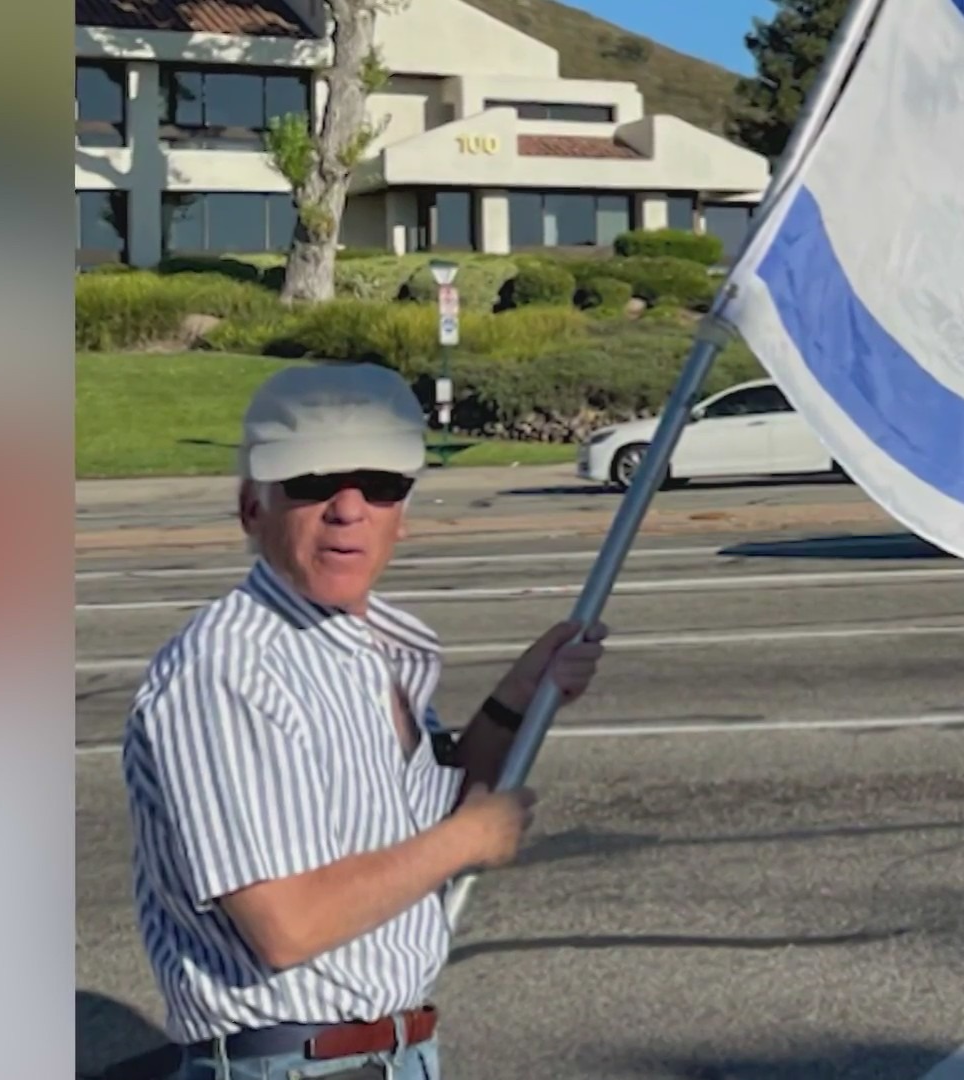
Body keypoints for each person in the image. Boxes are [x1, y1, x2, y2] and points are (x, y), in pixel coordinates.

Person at [120, 362, 608, 1079]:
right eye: (314, 482)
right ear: (252, 507)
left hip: (392, 1055)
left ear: (403, 513)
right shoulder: (228, 669)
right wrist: (464, 841)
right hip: (292, 1064)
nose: (350, 509)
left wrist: (517, 699)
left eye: (381, 486)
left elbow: (419, 823)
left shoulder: (376, 647)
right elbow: (286, 926)